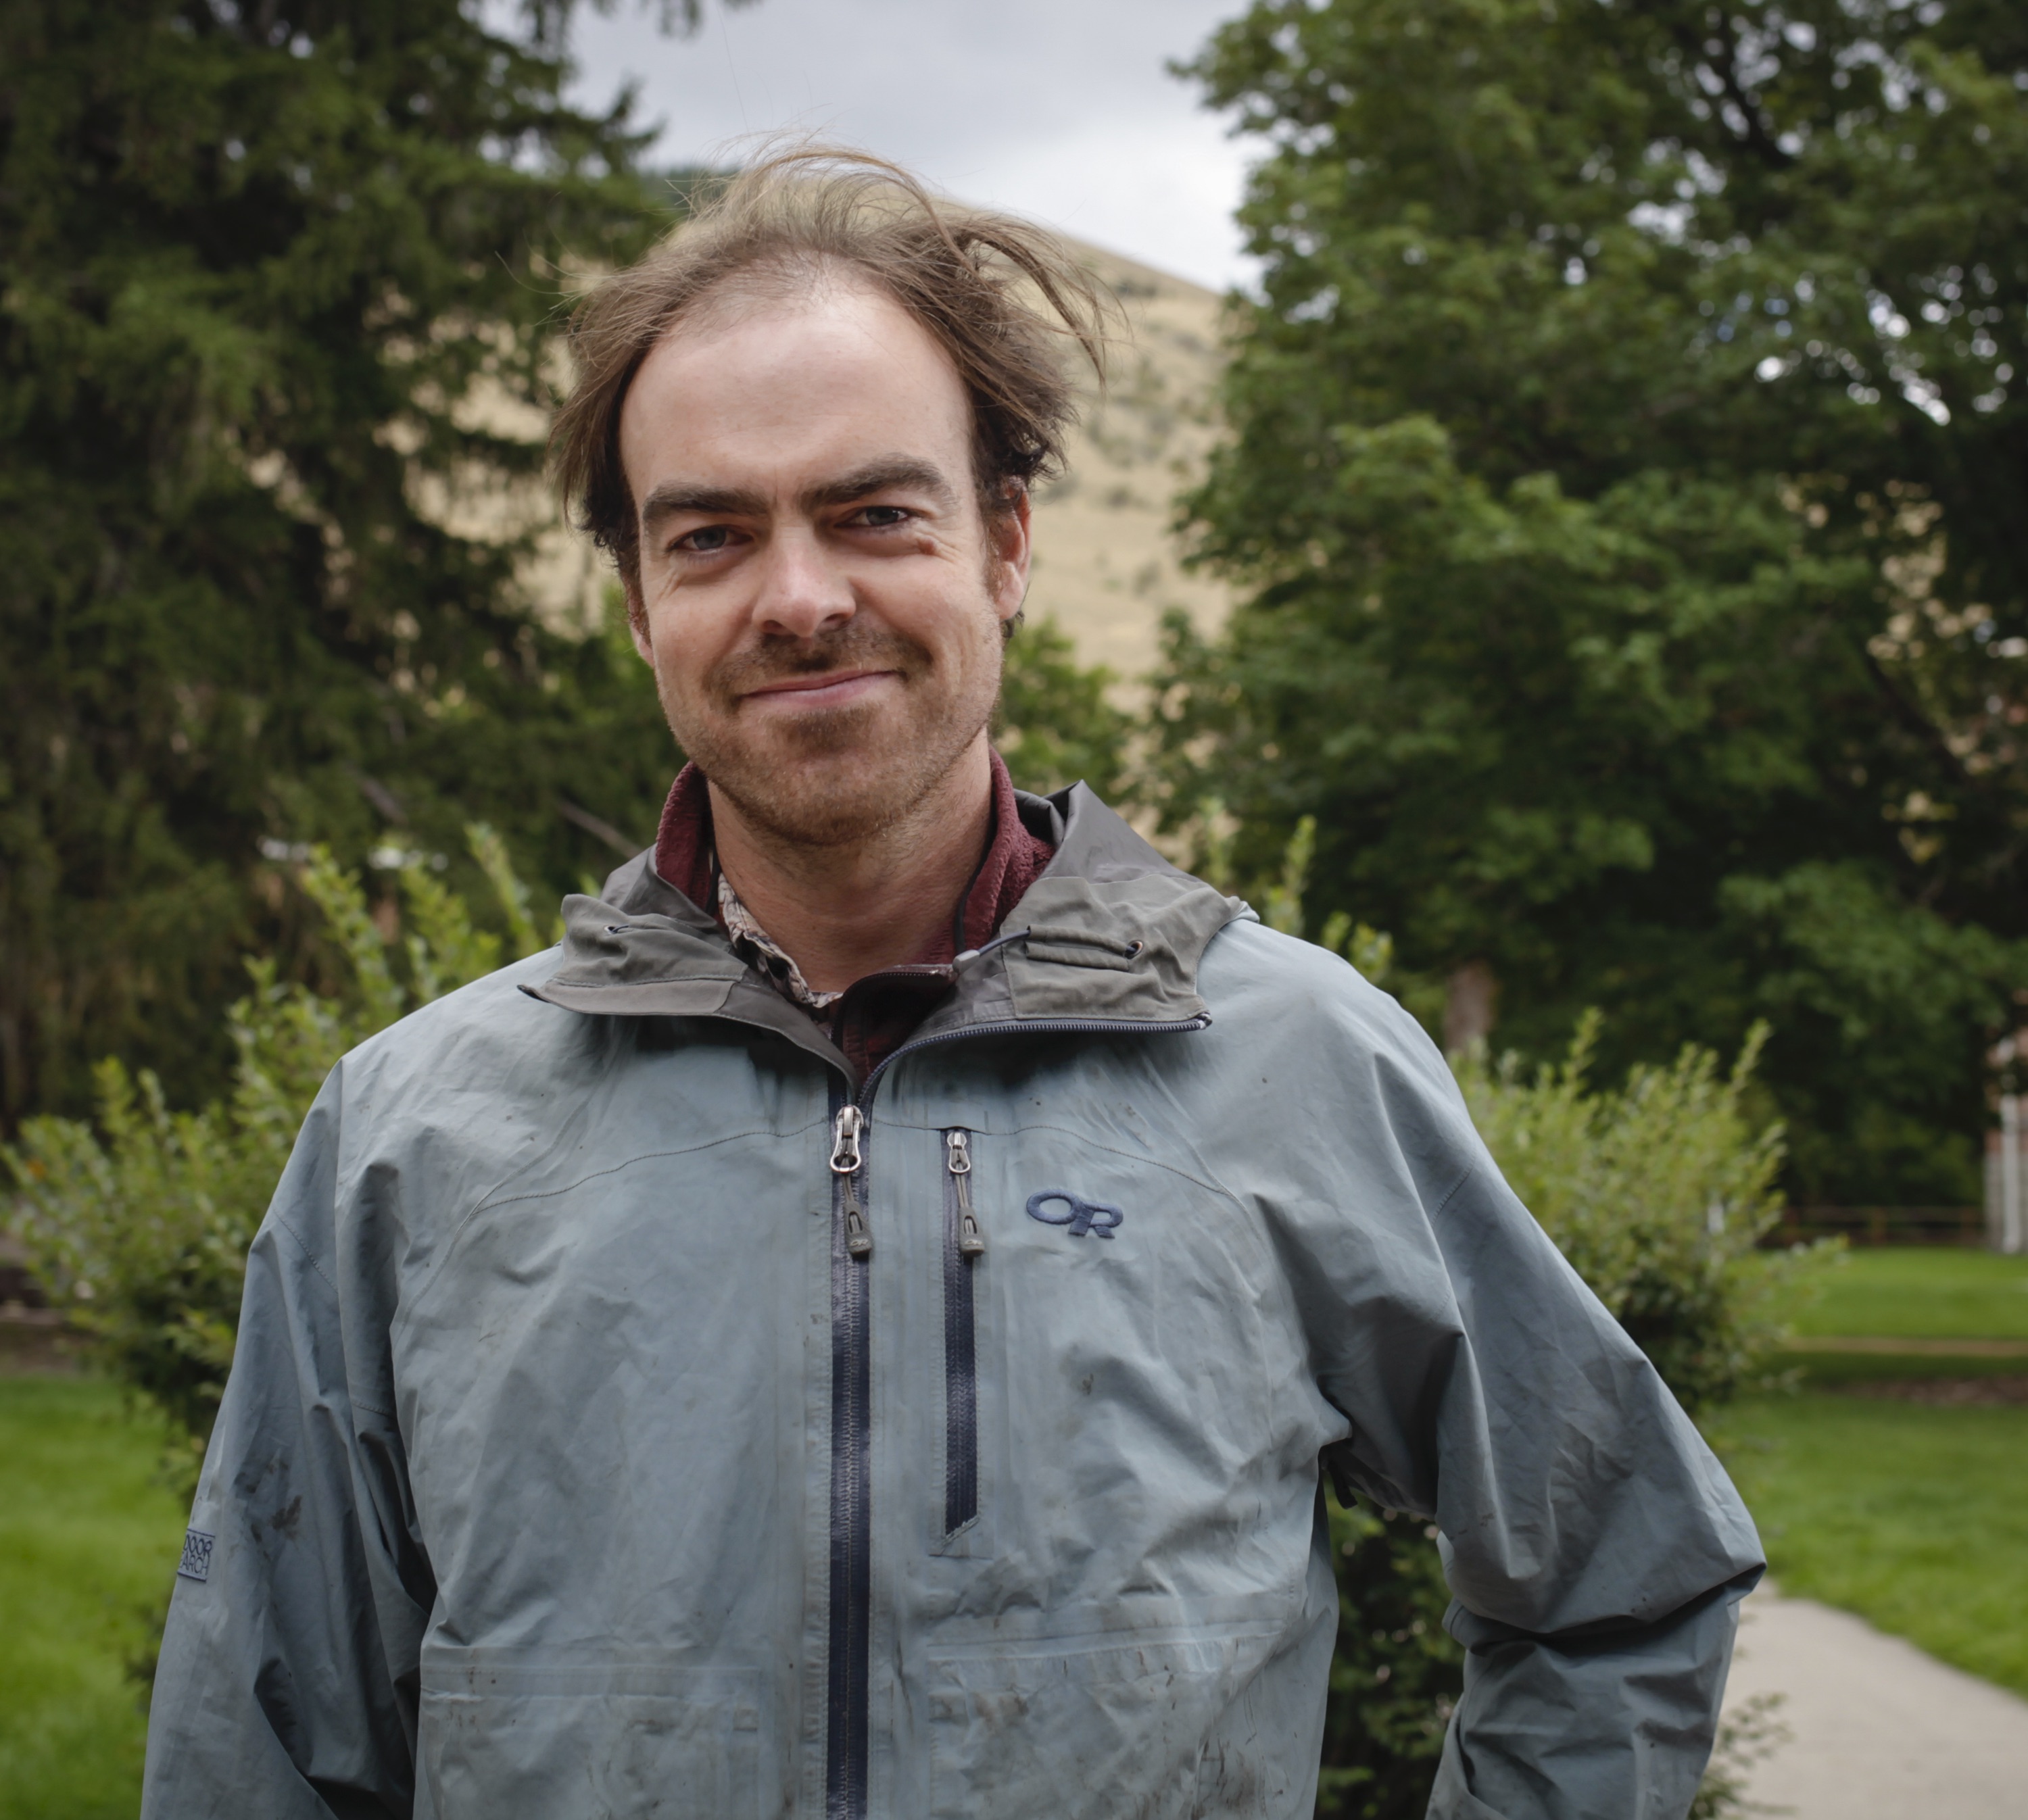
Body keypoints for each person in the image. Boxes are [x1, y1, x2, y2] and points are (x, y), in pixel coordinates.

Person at [139, 149, 1763, 1820]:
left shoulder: (1296, 1061)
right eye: (711, 535)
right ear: (638, 599)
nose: (798, 597)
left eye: (873, 514)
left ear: (1002, 540)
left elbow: (1620, 1583)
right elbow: (258, 1741)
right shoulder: (411, 1135)